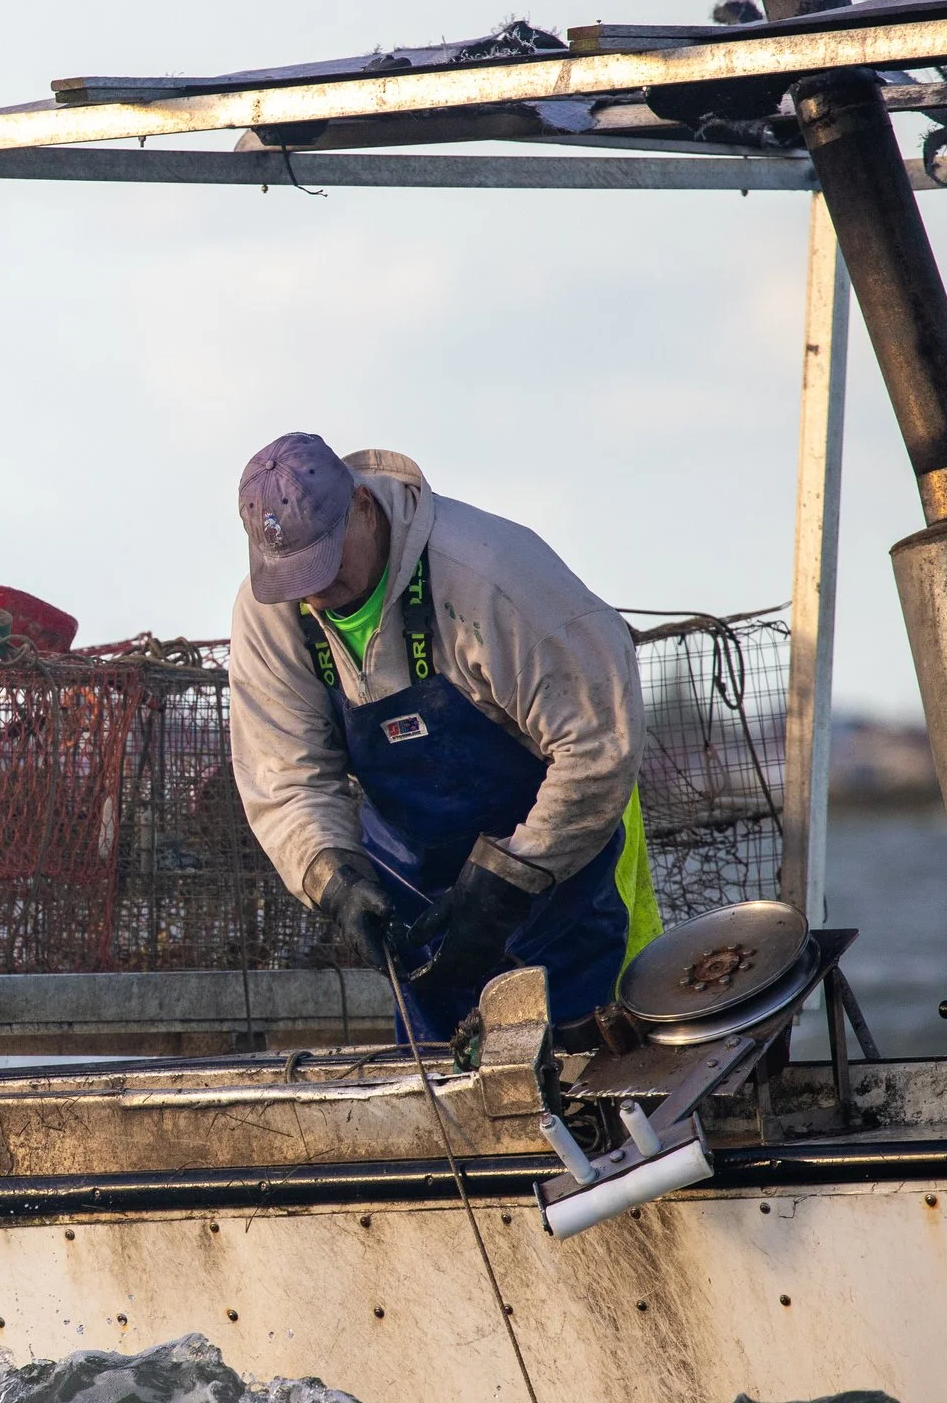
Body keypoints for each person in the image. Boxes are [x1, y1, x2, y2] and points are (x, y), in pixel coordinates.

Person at [227, 433, 659, 1047]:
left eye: (325, 562)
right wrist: (334, 879)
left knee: (584, 1062)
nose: (313, 592)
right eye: (293, 575)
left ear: (363, 507)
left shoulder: (492, 576)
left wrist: (510, 881)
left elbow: (597, 746)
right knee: (442, 1074)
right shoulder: (272, 613)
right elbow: (286, 776)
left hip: (559, 865)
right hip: (416, 893)